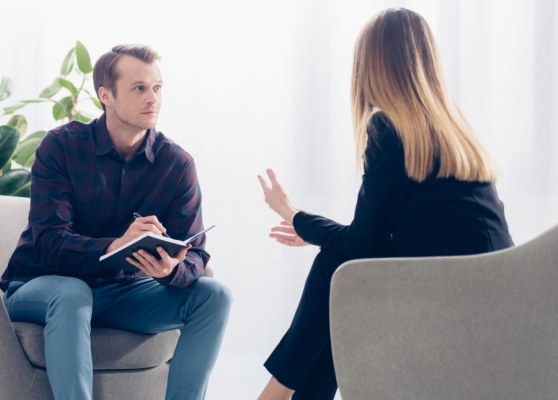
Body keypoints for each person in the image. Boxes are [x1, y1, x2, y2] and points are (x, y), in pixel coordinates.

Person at [256, 8, 513, 400]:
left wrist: (294, 215)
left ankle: (277, 393)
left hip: (455, 300)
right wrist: (312, 230)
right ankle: (286, 394)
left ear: (372, 66)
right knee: (342, 274)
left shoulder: (389, 129)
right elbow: (387, 242)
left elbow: (364, 244)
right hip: (495, 294)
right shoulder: (453, 133)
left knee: (336, 267)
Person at [0, 44, 232, 400]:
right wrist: (115, 245)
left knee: (215, 295)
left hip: (120, 293)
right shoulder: (60, 148)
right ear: (105, 95)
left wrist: (170, 269)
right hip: (40, 286)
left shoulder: (177, 164)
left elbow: (196, 254)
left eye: (157, 87)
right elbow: (49, 244)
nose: (152, 98)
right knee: (72, 292)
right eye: (139, 88)